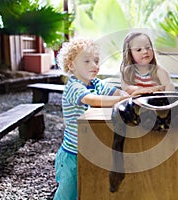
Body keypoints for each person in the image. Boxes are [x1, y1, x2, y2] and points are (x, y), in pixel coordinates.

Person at [54, 38, 130, 200]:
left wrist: (126, 95)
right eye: (87, 61)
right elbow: (93, 100)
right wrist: (121, 100)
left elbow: (116, 92)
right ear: (71, 65)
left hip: (88, 151)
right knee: (67, 194)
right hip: (72, 155)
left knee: (88, 189)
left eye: (96, 61)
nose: (94, 65)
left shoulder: (96, 83)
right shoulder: (73, 87)